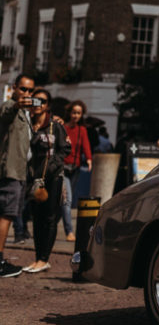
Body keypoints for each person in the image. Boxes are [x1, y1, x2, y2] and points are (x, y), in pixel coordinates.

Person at [23, 88, 71, 275]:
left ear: (48, 105)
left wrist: (52, 167)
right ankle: (37, 259)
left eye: (42, 101)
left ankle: (44, 259)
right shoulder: (27, 124)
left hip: (53, 178)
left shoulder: (55, 126)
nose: (38, 104)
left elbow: (64, 149)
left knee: (50, 218)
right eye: (35, 100)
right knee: (37, 218)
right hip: (33, 179)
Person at [0, 74, 35, 278]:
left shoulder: (26, 114)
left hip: (19, 172)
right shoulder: (10, 106)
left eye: (30, 91)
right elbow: (6, 112)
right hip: (10, 172)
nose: (27, 94)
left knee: (7, 216)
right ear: (14, 88)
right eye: (23, 89)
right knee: (5, 215)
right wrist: (16, 105)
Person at [62, 100, 92, 238]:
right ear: (70, 113)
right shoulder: (63, 127)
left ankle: (52, 226)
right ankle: (69, 231)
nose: (76, 115)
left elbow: (85, 146)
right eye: (74, 112)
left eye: (78, 113)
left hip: (75, 168)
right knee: (67, 200)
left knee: (66, 199)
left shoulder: (82, 130)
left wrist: (89, 160)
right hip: (63, 168)